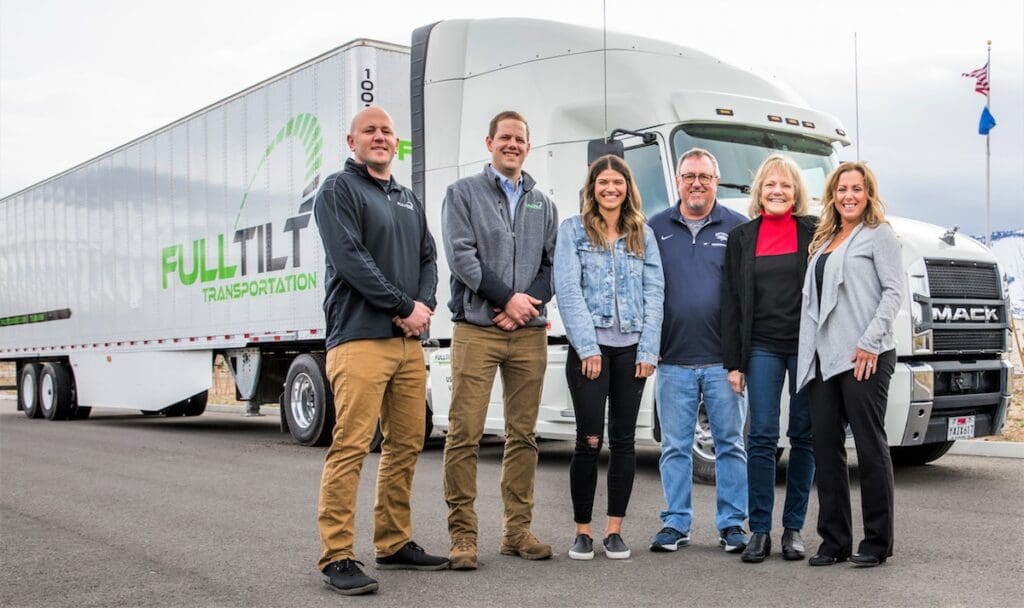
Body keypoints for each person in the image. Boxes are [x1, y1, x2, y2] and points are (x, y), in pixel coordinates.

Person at [313, 106, 447, 596]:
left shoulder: (407, 197)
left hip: (408, 343)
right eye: (369, 130)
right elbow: (350, 258)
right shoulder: (338, 190)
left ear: (396, 143)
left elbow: (429, 258)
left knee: (407, 442)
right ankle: (337, 555)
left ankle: (392, 542)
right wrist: (399, 304)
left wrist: (423, 306)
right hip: (359, 338)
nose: (380, 137)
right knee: (351, 445)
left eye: (387, 131)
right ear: (352, 142)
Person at [441, 110, 559, 570]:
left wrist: (525, 305)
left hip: (527, 335)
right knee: (464, 433)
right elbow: (461, 257)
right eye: (504, 137)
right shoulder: (462, 193)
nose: (512, 144)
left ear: (528, 147)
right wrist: (505, 299)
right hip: (476, 329)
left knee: (523, 435)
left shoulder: (542, 203)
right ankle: (463, 537)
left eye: (520, 139)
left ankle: (516, 531)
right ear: (489, 142)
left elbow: (552, 265)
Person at [795, 162, 907, 568]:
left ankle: (877, 543)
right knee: (825, 449)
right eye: (842, 189)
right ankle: (834, 541)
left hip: (866, 356)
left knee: (869, 446)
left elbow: (894, 293)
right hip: (826, 359)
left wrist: (869, 343)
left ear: (868, 193)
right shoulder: (825, 239)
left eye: (857, 189)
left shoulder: (880, 236)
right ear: (832, 195)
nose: (849, 196)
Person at [554, 154, 664, 560]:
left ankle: (614, 530)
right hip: (590, 351)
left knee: (623, 441)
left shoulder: (643, 234)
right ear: (592, 188)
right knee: (588, 440)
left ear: (627, 188)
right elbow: (567, 290)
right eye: (603, 182)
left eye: (618, 182)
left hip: (631, 350)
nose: (610, 188)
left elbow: (655, 293)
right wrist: (587, 347)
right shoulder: (573, 230)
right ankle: (582, 530)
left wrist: (648, 348)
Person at [647, 148, 749, 554]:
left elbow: (745, 298)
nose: (696, 183)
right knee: (675, 446)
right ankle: (675, 523)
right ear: (678, 180)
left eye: (704, 176)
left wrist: (739, 358)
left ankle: (732, 524)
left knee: (730, 444)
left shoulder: (738, 228)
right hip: (672, 360)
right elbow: (646, 291)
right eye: (689, 176)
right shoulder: (655, 228)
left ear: (716, 181)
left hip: (724, 362)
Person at [721, 154, 817, 563]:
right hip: (760, 346)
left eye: (786, 185)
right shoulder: (743, 237)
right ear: (759, 190)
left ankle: (793, 529)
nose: (777, 191)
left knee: (804, 436)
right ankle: (759, 529)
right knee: (760, 436)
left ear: (797, 193)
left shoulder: (814, 232)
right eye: (770, 185)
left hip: (806, 347)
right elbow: (731, 302)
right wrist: (733, 362)